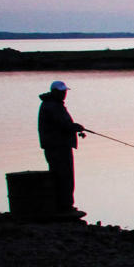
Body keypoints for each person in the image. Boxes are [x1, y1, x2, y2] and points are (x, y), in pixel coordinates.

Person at [37, 80, 86, 216]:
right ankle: (64, 207)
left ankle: (63, 205)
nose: (64, 94)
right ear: (55, 92)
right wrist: (75, 127)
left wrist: (74, 127)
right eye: (61, 91)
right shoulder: (52, 106)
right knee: (64, 176)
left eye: (64, 91)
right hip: (57, 147)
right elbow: (63, 124)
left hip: (58, 146)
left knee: (62, 176)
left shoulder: (53, 104)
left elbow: (62, 124)